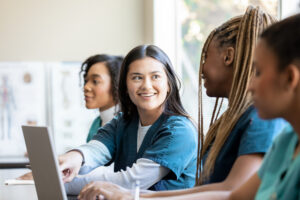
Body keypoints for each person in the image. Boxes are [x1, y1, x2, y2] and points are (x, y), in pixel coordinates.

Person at [76, 6, 289, 200]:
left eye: (205, 56)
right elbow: (211, 188)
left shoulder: (259, 119)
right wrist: (133, 196)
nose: (202, 68)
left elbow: (233, 192)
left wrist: (132, 196)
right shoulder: (231, 120)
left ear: (228, 57)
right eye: (136, 77)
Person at [60, 44, 198, 195]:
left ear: (169, 84)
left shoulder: (180, 131)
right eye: (137, 78)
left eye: (155, 77)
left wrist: (59, 183)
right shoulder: (123, 121)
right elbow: (96, 150)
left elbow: (132, 182)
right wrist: (75, 157)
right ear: (125, 85)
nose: (146, 85)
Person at [80, 54, 123, 142]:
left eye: (95, 81)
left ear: (117, 84)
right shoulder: (96, 123)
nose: (86, 87)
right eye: (86, 81)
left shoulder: (126, 127)